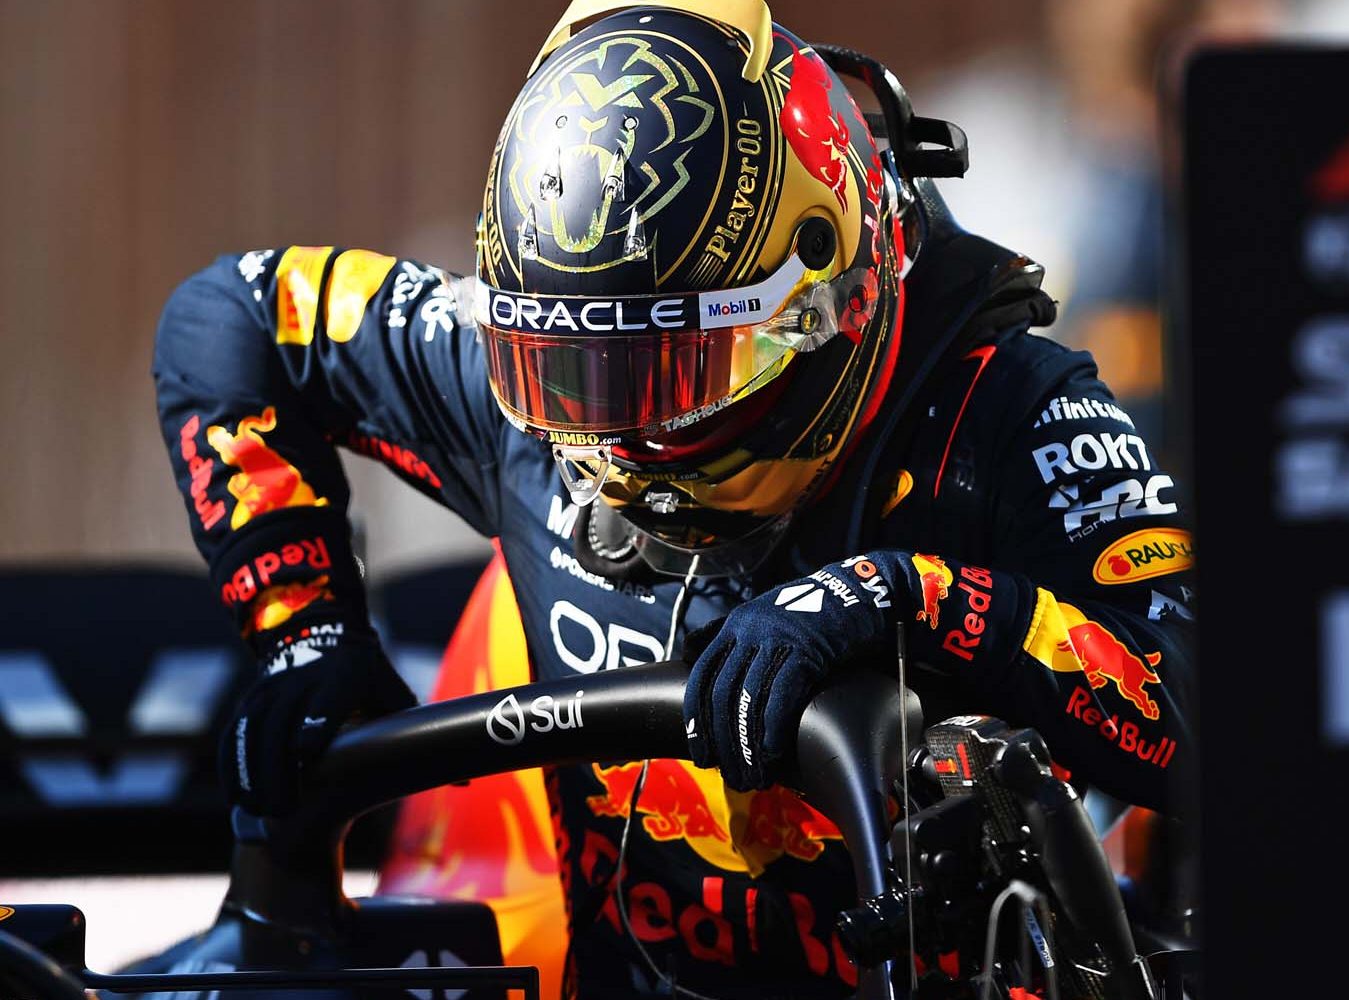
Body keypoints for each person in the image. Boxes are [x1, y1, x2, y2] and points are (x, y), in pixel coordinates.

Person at [153, 1, 1195, 995]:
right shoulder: (543, 400)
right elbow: (230, 317)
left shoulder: (1013, 417)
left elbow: (1208, 708)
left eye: (676, 376)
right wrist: (308, 636)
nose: (620, 440)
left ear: (827, 291)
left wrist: (910, 599)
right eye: (576, 379)